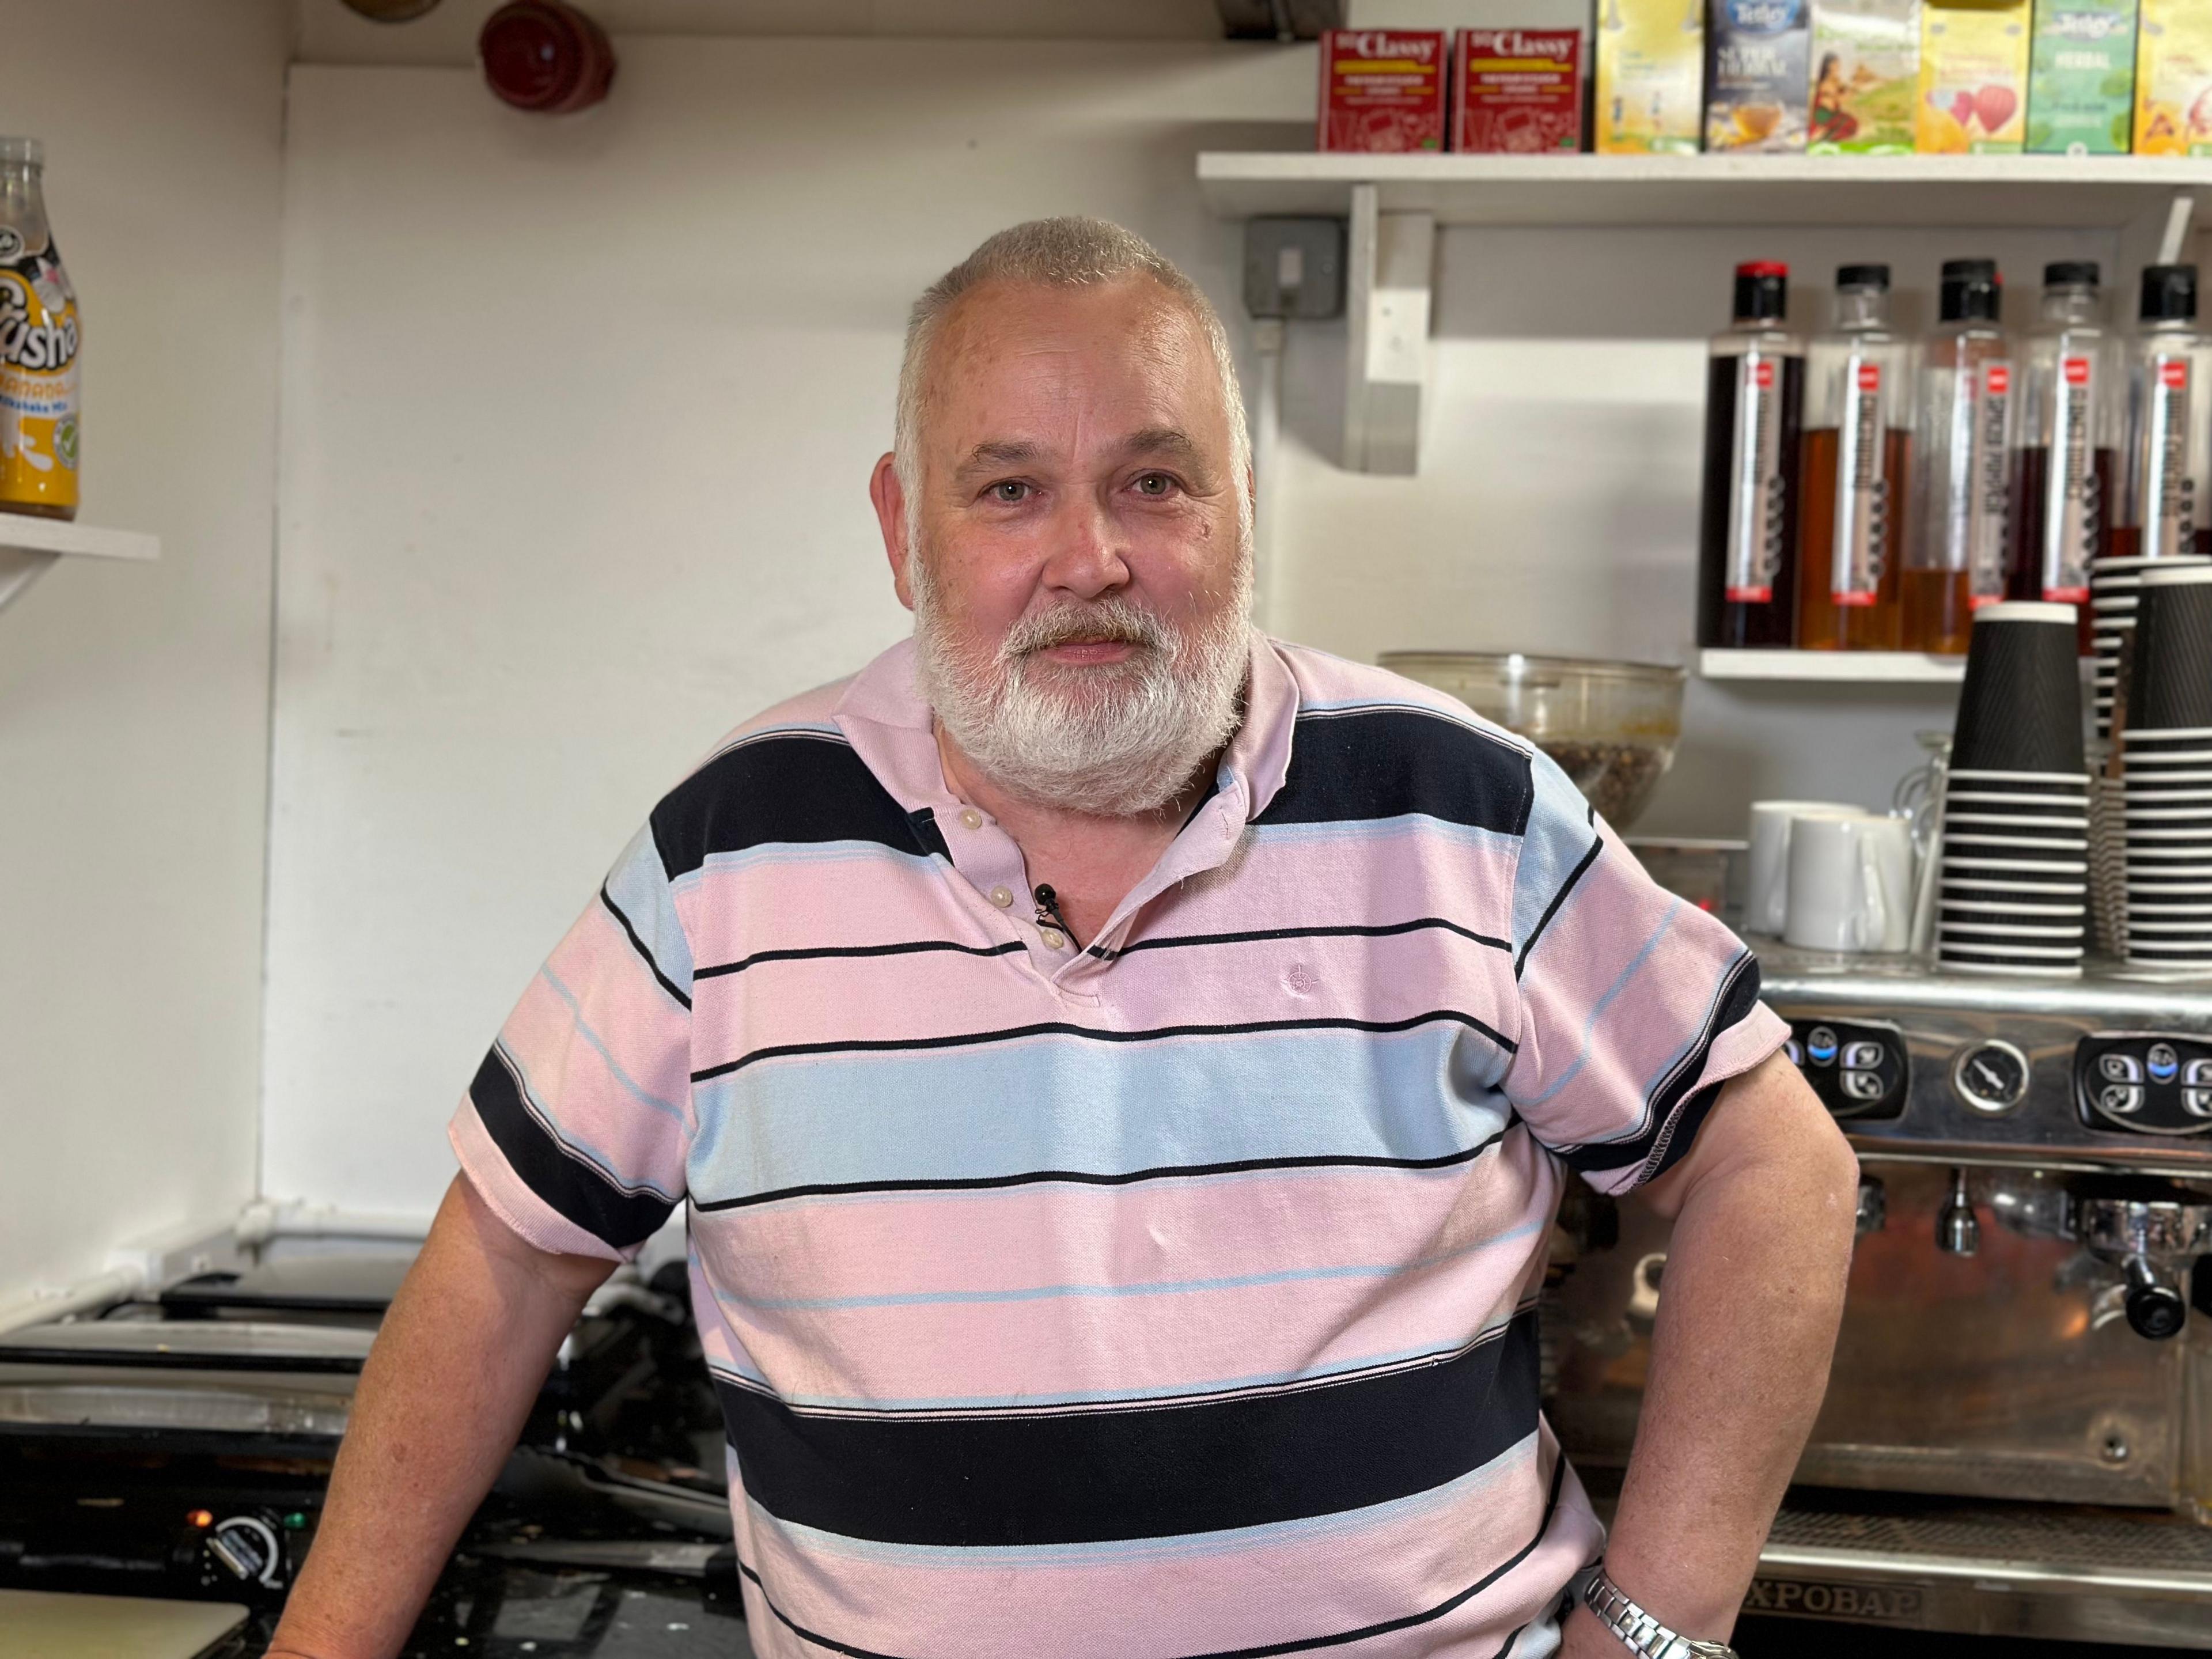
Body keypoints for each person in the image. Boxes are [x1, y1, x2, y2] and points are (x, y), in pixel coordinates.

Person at [269, 217, 1858, 1659]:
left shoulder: (1459, 809)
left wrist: (1654, 1635)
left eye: (1154, 482)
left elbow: (1775, 1163)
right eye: (1010, 487)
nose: (1088, 558)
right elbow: (505, 1258)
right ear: (905, 528)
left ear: (1244, 510)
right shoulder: (732, 851)